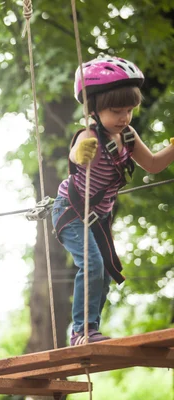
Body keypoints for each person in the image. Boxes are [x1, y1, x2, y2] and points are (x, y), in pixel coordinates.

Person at [51, 56, 174, 346]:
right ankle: (79, 332)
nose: (124, 118)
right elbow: (76, 150)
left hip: (99, 217)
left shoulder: (128, 136)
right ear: (92, 109)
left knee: (103, 271)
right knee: (92, 265)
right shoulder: (89, 134)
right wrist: (80, 155)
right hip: (71, 211)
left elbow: (154, 165)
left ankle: (91, 329)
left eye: (130, 110)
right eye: (116, 111)